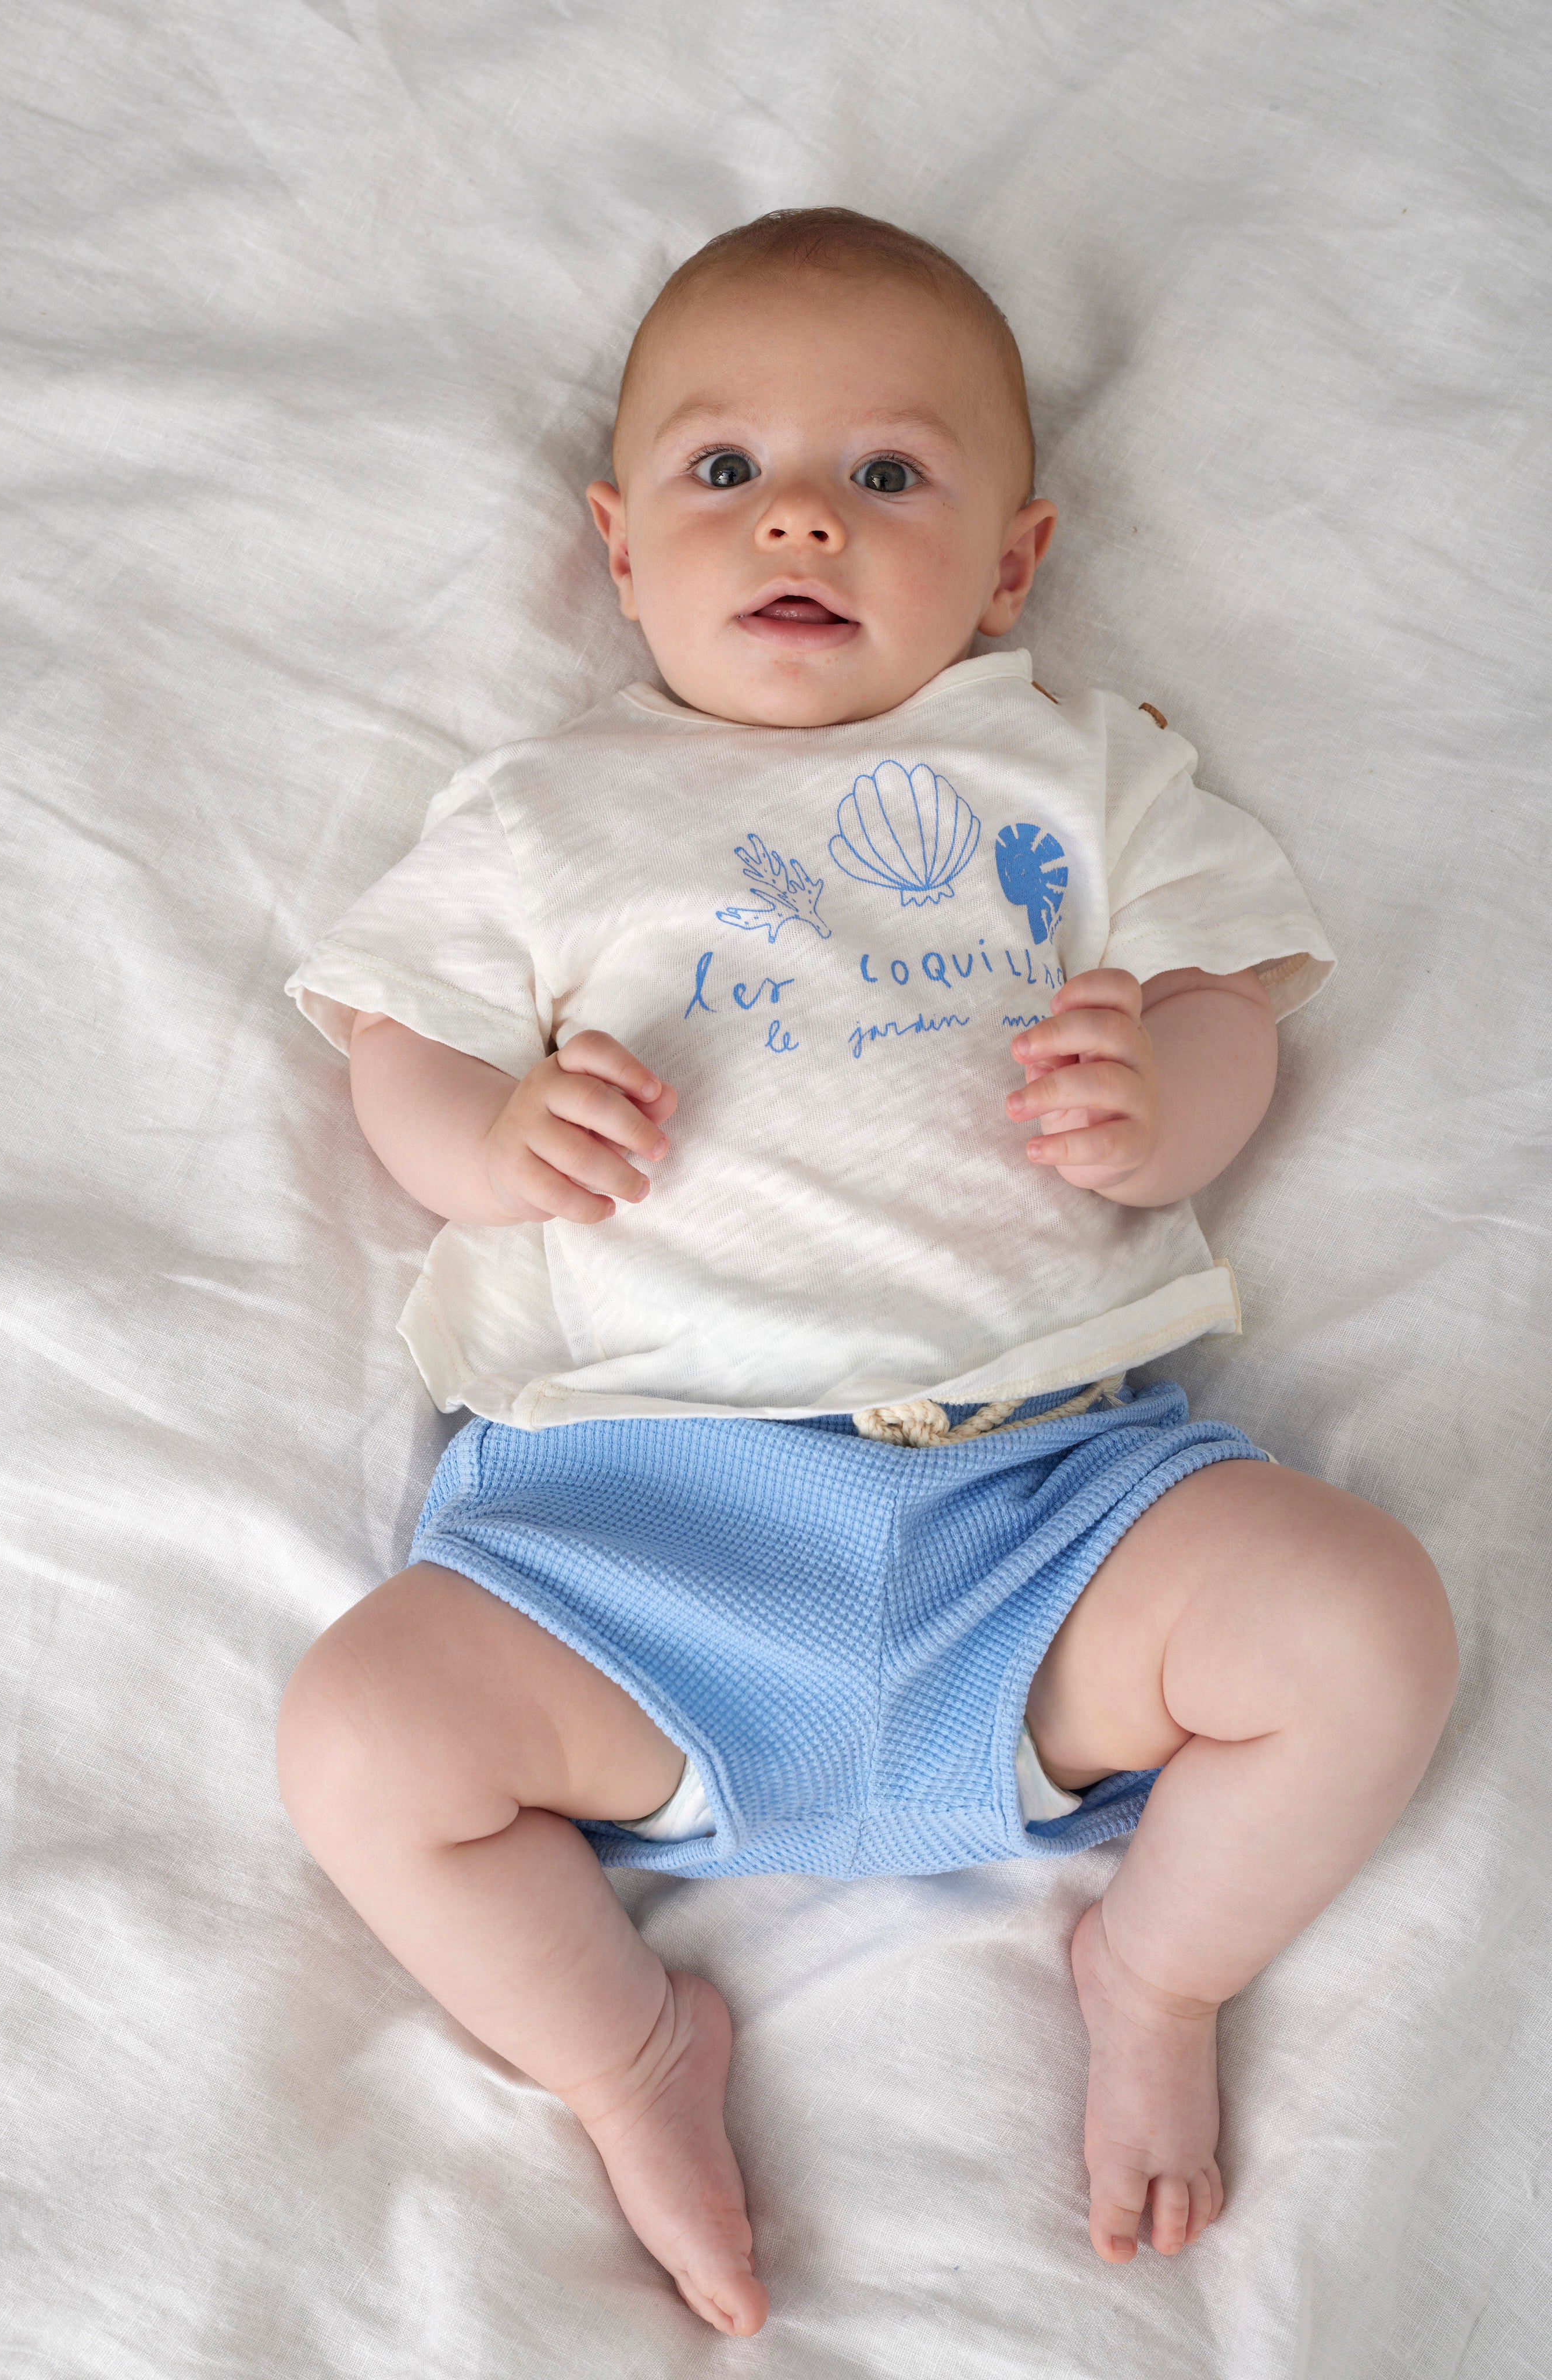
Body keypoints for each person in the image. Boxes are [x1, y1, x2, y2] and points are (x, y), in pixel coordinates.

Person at [276, 209, 1456, 2339]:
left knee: (1361, 1620)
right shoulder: (544, 811)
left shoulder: (1080, 768)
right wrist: (490, 1141)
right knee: (363, 1735)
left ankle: (1157, 1966)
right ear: (618, 548)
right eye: (725, 470)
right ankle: (627, 2054)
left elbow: (1223, 1000)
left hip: (1043, 1516)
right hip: (633, 1548)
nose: (801, 515)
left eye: (888, 475)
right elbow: (397, 1042)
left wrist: (1162, 1103)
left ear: (1011, 563)